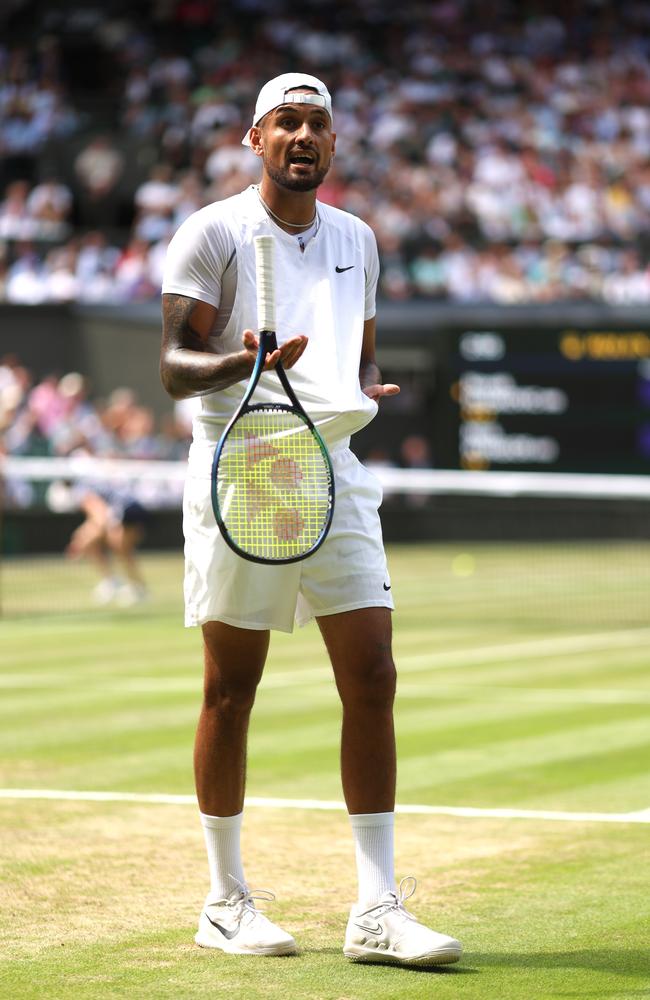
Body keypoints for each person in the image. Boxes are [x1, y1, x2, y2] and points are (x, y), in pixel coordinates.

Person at [160, 72, 462, 967]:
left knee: (372, 673)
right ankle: (225, 900)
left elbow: (355, 353)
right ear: (255, 138)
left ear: (333, 144)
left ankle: (376, 909)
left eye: (318, 125)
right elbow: (175, 367)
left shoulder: (359, 239)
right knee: (231, 687)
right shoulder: (211, 231)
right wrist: (238, 361)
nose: (303, 136)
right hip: (243, 467)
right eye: (286, 122)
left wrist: (360, 387)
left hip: (333, 466)